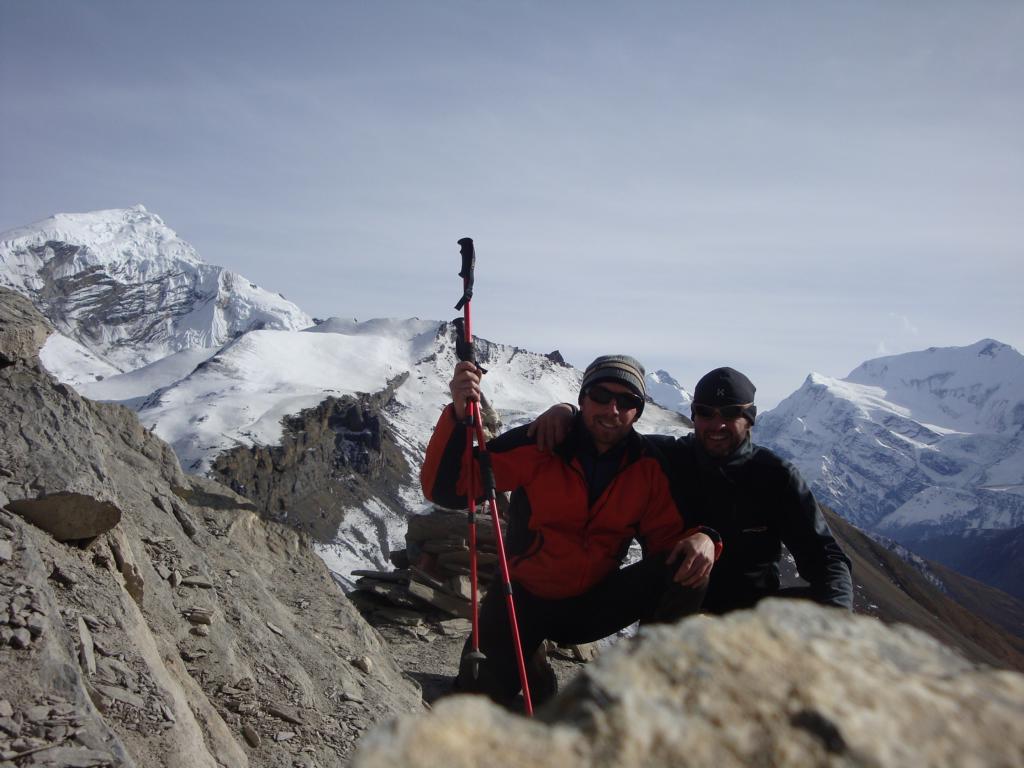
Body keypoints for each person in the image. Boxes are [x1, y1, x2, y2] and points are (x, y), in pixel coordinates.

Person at [420, 354, 722, 707]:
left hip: (594, 603)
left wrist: (707, 538)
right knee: (478, 700)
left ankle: (648, 690)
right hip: (523, 599)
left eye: (626, 402)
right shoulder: (542, 443)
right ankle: (530, 665)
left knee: (690, 568)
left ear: (638, 412)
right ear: (582, 399)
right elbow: (448, 487)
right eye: (600, 396)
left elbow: (669, 540)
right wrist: (458, 415)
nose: (612, 409)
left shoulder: (647, 467)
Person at [531, 366, 853, 615]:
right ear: (693, 415)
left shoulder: (776, 477)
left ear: (750, 418)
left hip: (752, 616)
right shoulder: (664, 458)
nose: (717, 424)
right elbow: (607, 434)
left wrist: (838, 616)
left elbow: (825, 557)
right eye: (705, 412)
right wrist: (568, 412)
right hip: (673, 609)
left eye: (730, 414)